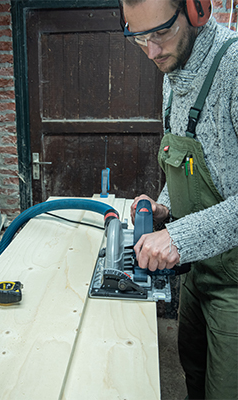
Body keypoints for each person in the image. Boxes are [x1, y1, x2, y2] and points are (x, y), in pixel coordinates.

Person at [118, 0, 238, 398]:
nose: (151, 52)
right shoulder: (174, 69)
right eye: (139, 38)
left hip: (235, 285)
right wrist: (166, 205)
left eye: (161, 33)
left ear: (197, 9)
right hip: (199, 272)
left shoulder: (234, 68)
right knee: (192, 370)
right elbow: (189, 163)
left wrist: (178, 238)